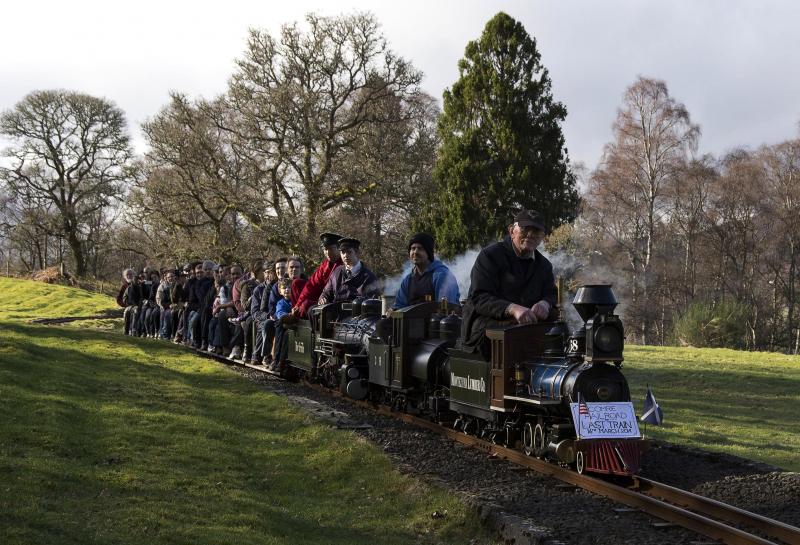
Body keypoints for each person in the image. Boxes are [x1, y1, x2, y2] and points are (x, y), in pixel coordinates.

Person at [461, 210, 557, 360]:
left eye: (536, 231)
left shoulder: (544, 266)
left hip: (528, 327)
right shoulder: (489, 256)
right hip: (488, 327)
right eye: (525, 229)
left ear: (542, 237)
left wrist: (545, 303)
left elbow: (551, 293)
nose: (530, 234)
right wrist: (512, 309)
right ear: (512, 231)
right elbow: (479, 298)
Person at [391, 232, 460, 312]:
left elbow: (446, 310)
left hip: (436, 323)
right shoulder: (408, 280)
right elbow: (399, 306)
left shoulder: (442, 275)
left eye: (420, 248)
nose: (415, 252)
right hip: (411, 323)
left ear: (429, 253)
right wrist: (392, 310)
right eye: (413, 248)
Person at [292, 233, 343, 317]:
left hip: (333, 302)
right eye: (325, 249)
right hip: (320, 299)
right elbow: (311, 286)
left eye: (331, 249)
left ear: (339, 249)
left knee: (306, 305)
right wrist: (297, 305)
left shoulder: (343, 265)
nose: (328, 252)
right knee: (296, 284)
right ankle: (295, 314)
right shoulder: (325, 265)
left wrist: (325, 299)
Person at [318, 238, 379, 304]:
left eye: (349, 252)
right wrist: (323, 299)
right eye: (343, 252)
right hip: (336, 312)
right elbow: (326, 293)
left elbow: (372, 303)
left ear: (357, 253)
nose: (345, 255)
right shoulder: (336, 272)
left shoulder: (369, 277)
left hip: (357, 312)